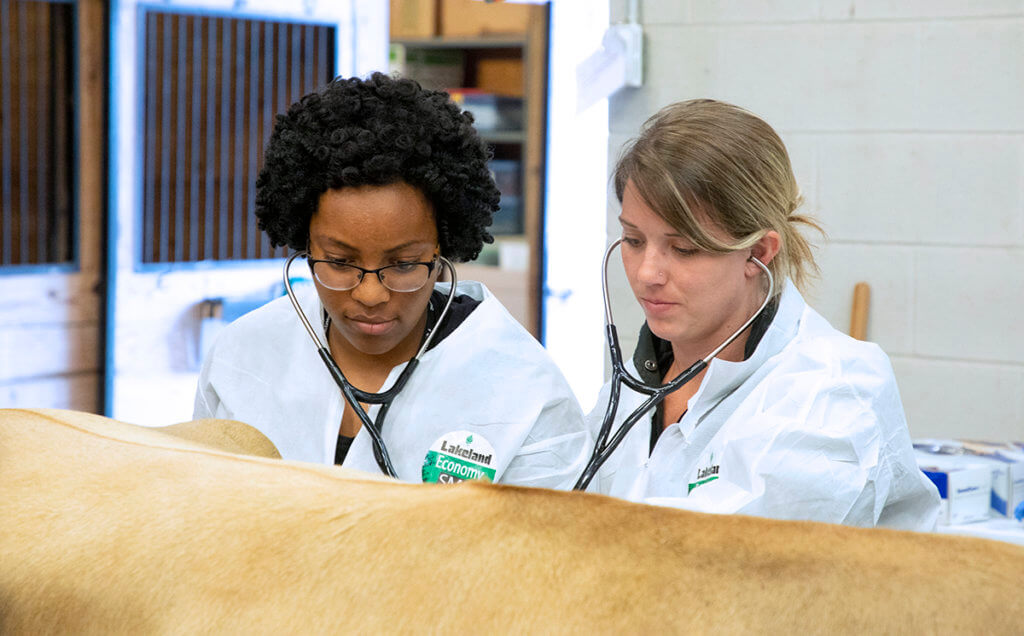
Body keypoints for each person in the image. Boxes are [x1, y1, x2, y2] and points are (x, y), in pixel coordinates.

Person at [194, 72, 590, 489]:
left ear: (442, 249)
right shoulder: (241, 357)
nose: (369, 294)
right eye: (339, 261)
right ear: (304, 243)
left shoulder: (525, 392)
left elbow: (543, 549)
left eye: (403, 264)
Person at [586, 99, 940, 530]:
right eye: (633, 239)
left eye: (683, 249)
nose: (646, 274)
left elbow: (728, 564)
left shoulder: (834, 391)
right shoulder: (627, 391)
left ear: (757, 253)